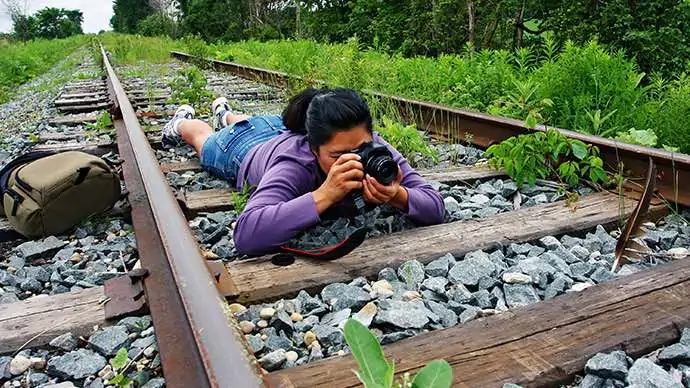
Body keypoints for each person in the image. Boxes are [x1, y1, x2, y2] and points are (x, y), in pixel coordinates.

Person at [161, 87, 445, 256]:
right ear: (313, 148)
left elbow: (434, 205)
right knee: (203, 139)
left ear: (370, 135)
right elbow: (247, 234)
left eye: (359, 148)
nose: (353, 158)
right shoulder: (294, 163)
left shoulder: (370, 145)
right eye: (338, 156)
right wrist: (324, 195)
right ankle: (181, 121)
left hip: (280, 126)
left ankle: (226, 113)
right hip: (243, 146)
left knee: (250, 121)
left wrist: (398, 195)